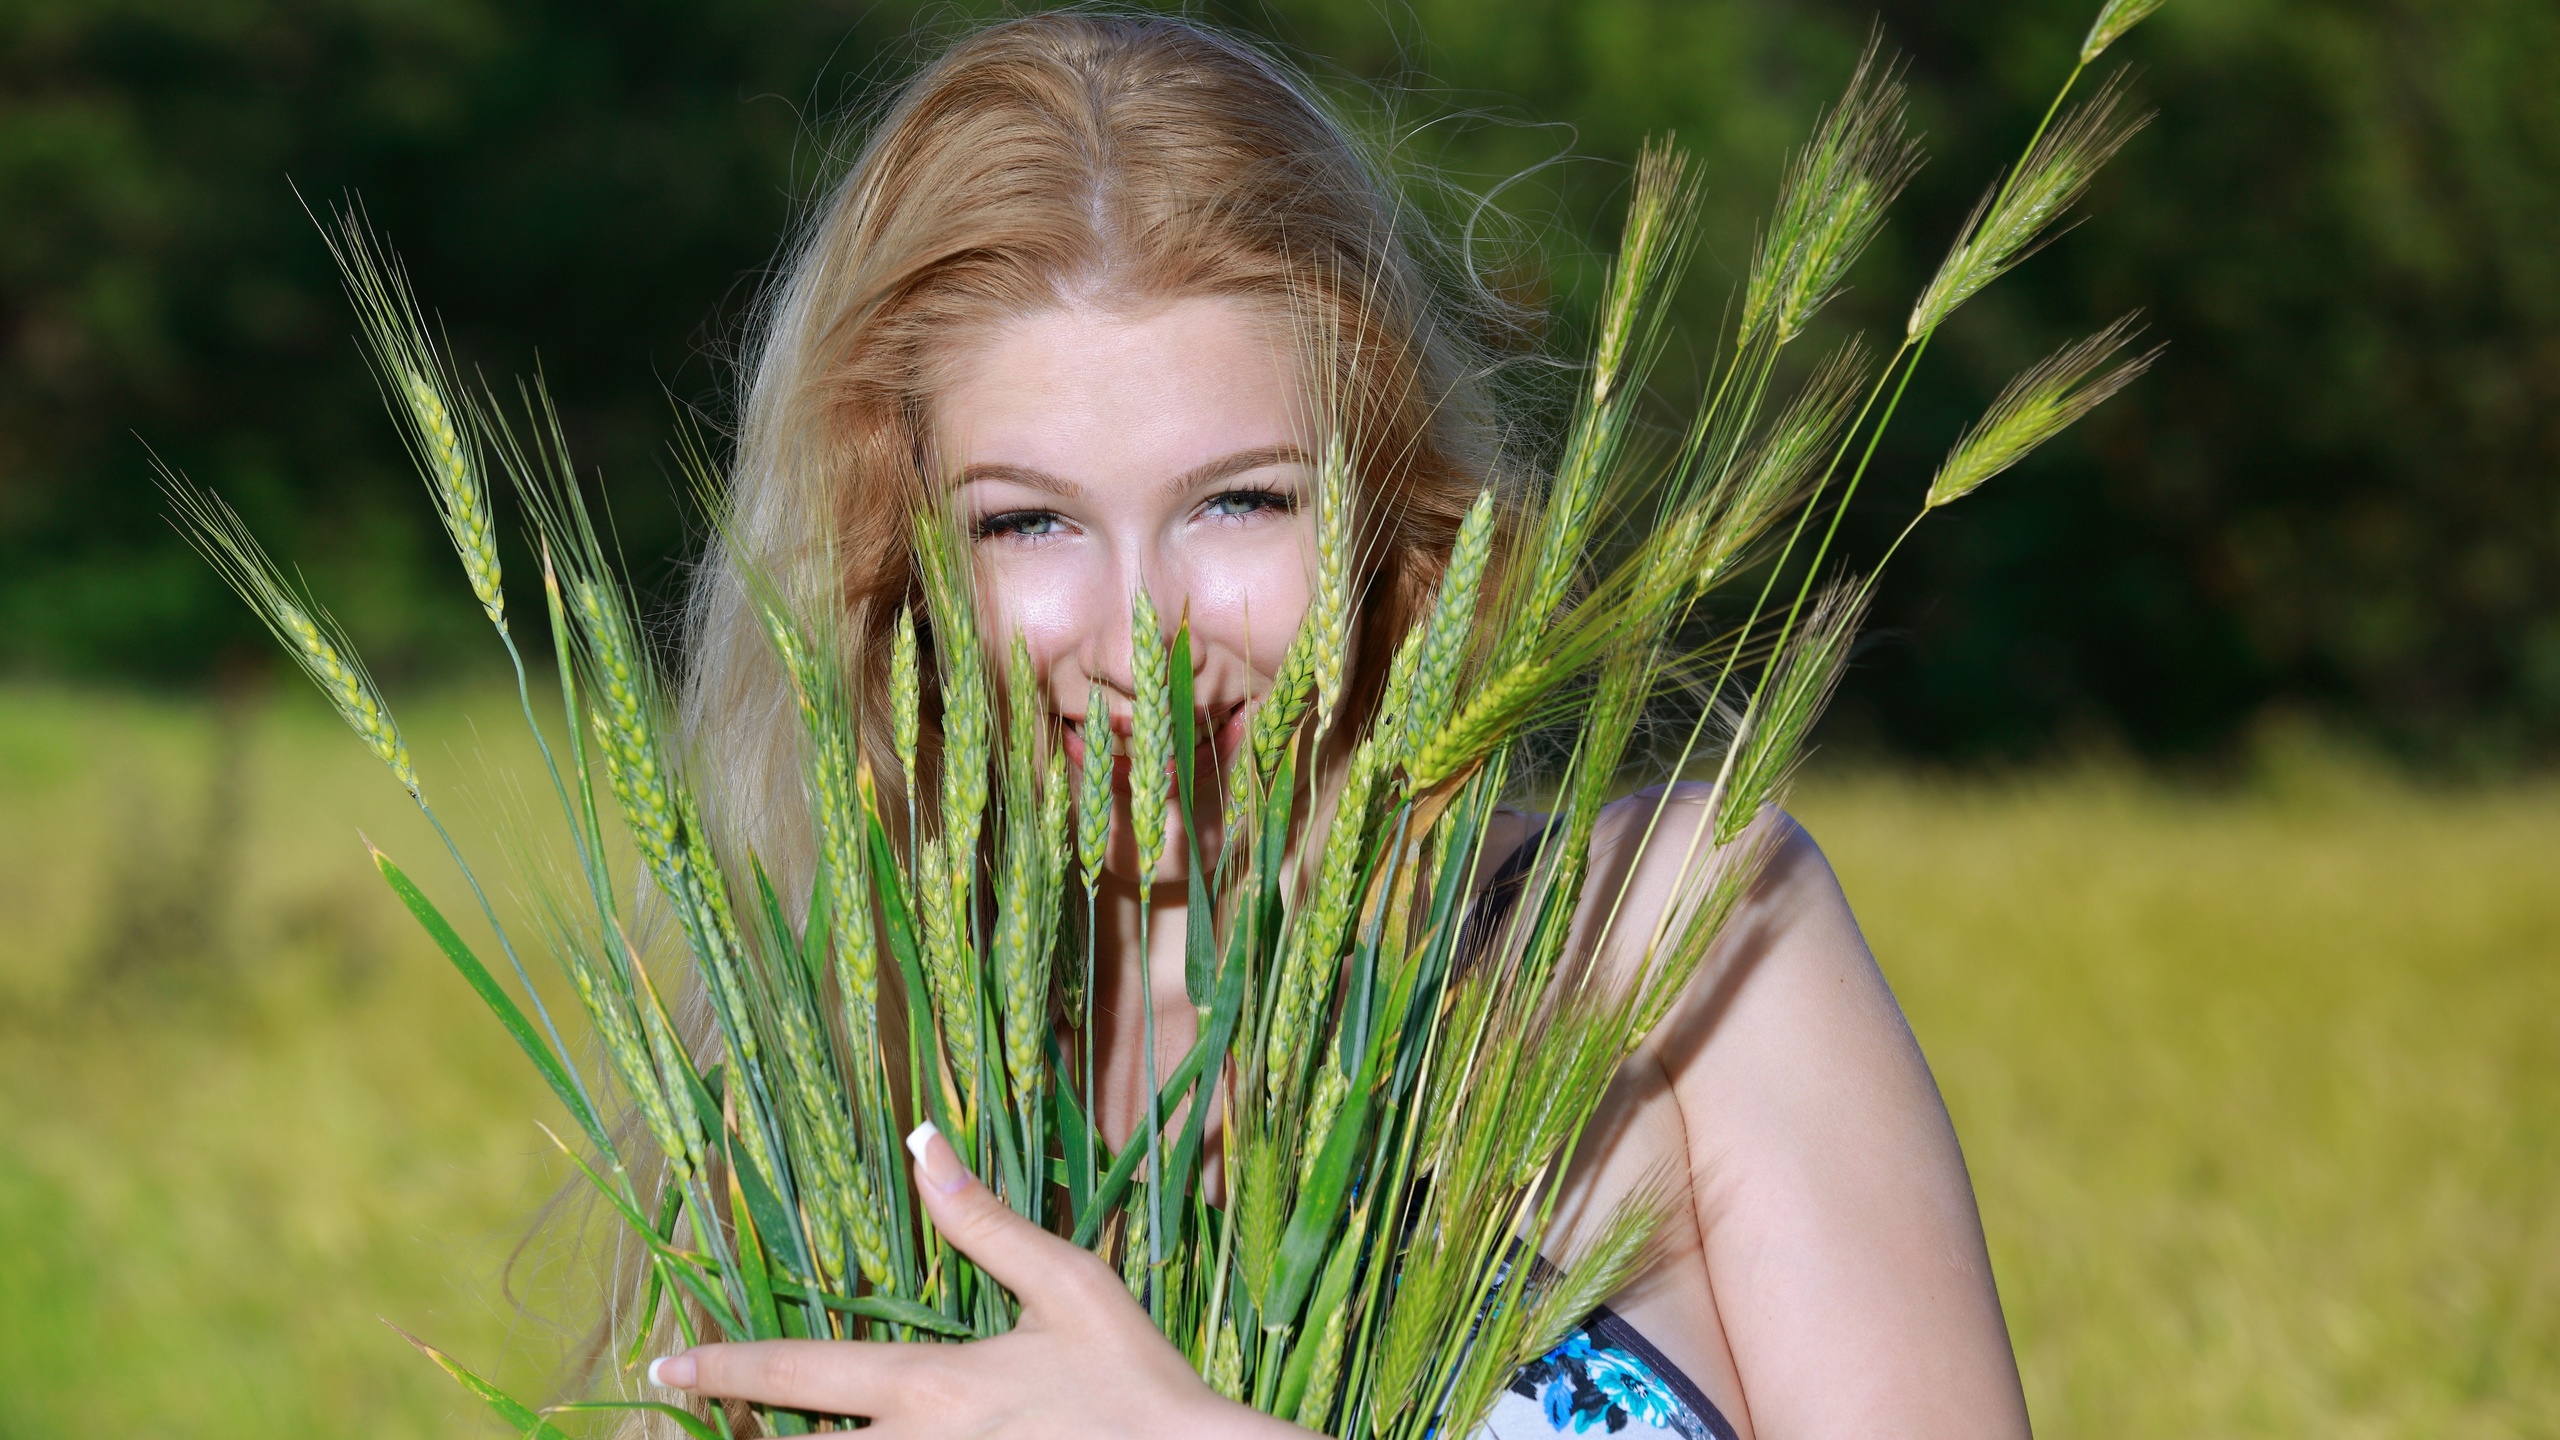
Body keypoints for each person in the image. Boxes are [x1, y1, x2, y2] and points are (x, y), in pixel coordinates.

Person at [640, 14, 2030, 1438]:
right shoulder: (847, 1095)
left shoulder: (1673, 935)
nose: (1143, 646)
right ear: (894, 560)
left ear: (1383, 503)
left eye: (1238, 500)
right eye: (1027, 521)